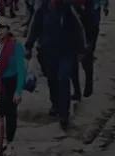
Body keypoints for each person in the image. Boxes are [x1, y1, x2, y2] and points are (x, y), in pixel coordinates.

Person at [25, 0, 87, 129]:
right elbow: (35, 27)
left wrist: (81, 49)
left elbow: (78, 29)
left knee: (63, 78)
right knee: (52, 78)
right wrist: (29, 46)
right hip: (48, 51)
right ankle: (55, 104)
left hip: (66, 52)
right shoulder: (43, 9)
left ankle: (64, 113)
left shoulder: (68, 9)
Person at [0, 16, 26, 156]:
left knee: (10, 114)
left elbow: (21, 69)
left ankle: (9, 143)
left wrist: (18, 91)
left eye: (2, 28)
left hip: (10, 83)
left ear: (8, 30)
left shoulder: (15, 46)